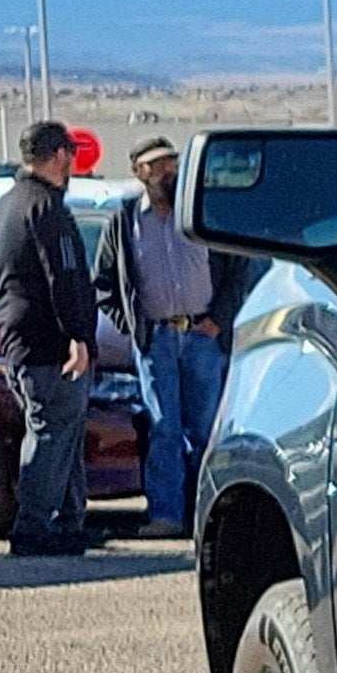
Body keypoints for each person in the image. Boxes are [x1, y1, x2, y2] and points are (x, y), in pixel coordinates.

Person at [98, 135, 240, 541]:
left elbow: (236, 271)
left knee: (206, 430)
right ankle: (166, 515)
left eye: (172, 163)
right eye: (158, 165)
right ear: (138, 172)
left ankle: (209, 517)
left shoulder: (201, 215)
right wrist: (135, 326)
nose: (168, 172)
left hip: (202, 337)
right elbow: (104, 285)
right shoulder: (124, 222)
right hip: (156, 340)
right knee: (163, 428)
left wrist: (217, 321)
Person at [0, 121, 98, 559]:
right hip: (49, 344)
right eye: (70, 154)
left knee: (63, 433)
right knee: (51, 432)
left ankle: (69, 524)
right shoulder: (46, 207)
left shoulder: (8, 203)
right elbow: (63, 276)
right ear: (59, 155)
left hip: (19, 339)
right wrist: (78, 336)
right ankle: (33, 526)